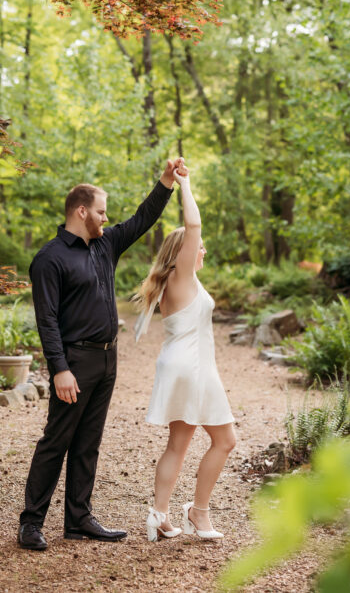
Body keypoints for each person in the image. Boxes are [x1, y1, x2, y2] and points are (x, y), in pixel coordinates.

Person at [18, 160, 180, 551]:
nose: (107, 217)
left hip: (108, 359)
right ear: (81, 211)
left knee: (88, 441)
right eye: (101, 211)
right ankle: (30, 524)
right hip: (75, 362)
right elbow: (47, 320)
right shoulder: (50, 259)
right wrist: (60, 369)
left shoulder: (106, 244)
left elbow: (143, 219)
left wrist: (165, 182)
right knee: (56, 442)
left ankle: (78, 520)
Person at [133, 162, 236, 542]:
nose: (203, 248)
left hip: (182, 367)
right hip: (192, 369)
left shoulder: (176, 284)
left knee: (178, 443)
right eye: (198, 247)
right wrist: (185, 184)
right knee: (225, 441)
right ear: (182, 253)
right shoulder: (182, 276)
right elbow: (194, 227)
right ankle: (199, 513)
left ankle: (159, 515)